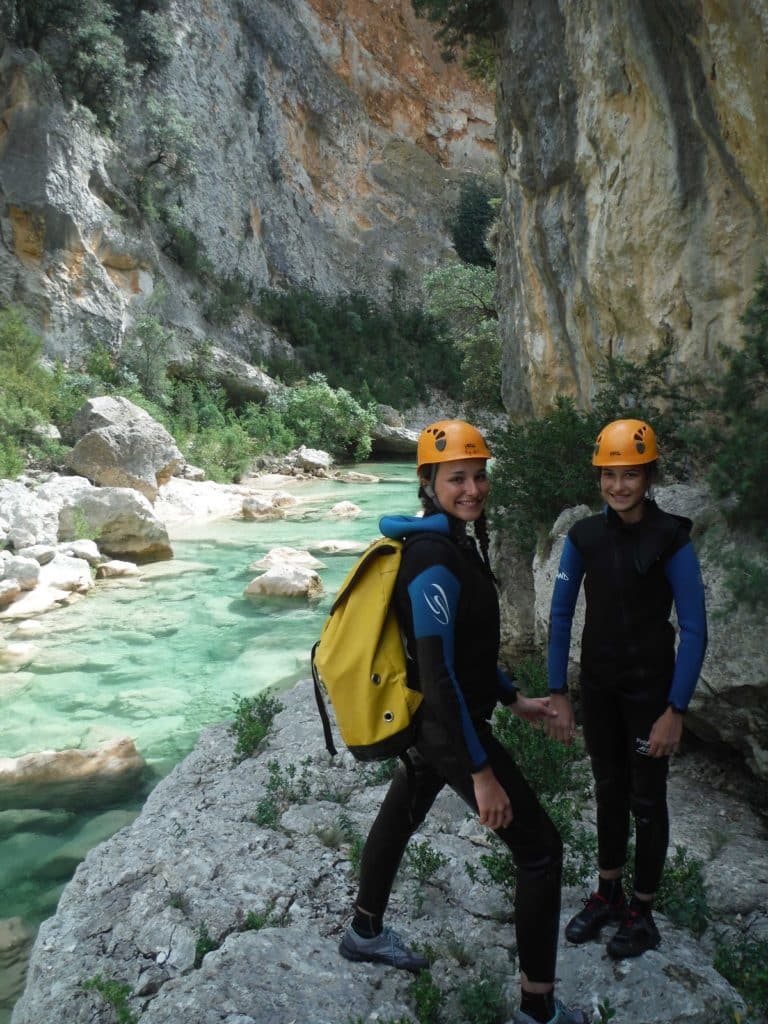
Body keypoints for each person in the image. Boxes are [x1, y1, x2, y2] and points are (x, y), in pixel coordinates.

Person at [338, 419, 586, 1024]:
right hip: (444, 728)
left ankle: (364, 930)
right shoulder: (431, 557)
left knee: (402, 810)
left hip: (440, 725)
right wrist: (481, 772)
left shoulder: (456, 541)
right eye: (457, 478)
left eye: (478, 476)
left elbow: (468, 653)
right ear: (428, 481)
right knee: (540, 852)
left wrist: (513, 698)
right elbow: (439, 674)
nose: (472, 488)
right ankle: (538, 1009)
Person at [545, 418, 708, 958]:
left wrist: (675, 710)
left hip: (649, 695)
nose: (618, 486)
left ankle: (642, 910)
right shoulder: (584, 538)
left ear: (649, 475)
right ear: (599, 477)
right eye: (609, 475)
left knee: (646, 798)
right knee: (608, 788)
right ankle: (608, 892)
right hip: (600, 689)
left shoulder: (672, 539)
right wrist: (559, 693)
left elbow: (695, 627)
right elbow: (562, 614)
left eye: (630, 474)